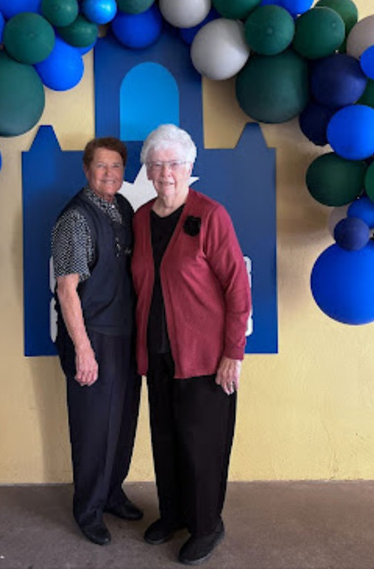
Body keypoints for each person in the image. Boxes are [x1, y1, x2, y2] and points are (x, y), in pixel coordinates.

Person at [131, 124, 252, 566]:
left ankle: (206, 525)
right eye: (157, 164)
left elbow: (238, 290)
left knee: (202, 446)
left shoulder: (211, 215)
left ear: (190, 167)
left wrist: (232, 354)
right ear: (146, 170)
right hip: (158, 353)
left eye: (175, 164)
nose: (166, 173)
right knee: (165, 439)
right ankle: (174, 514)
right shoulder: (141, 219)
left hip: (204, 359)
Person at [51, 136, 142, 546]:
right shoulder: (75, 218)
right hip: (93, 338)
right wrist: (83, 349)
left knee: (122, 423)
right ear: (87, 170)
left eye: (117, 167)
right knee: (92, 429)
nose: (110, 173)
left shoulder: (123, 209)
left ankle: (112, 492)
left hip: (125, 334)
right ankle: (88, 508)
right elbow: (67, 290)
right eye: (102, 166)